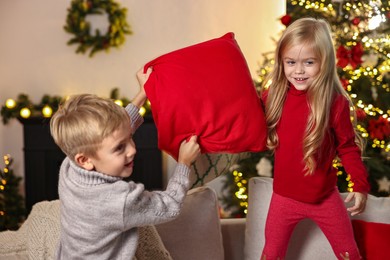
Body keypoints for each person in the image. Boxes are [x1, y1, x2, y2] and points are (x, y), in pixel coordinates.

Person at [50, 68, 201, 259]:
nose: (132, 150)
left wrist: (142, 94)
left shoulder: (70, 165)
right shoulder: (120, 200)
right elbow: (169, 206)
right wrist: (184, 163)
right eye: (119, 148)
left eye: (130, 137)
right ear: (86, 160)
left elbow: (116, 130)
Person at [260, 18, 370, 260]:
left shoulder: (334, 103)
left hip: (325, 198)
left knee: (349, 253)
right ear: (282, 62)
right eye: (291, 62)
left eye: (308, 62)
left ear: (324, 62)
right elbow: (245, 121)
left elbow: (348, 147)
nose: (298, 71)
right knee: (271, 254)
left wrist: (360, 185)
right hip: (283, 199)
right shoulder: (273, 96)